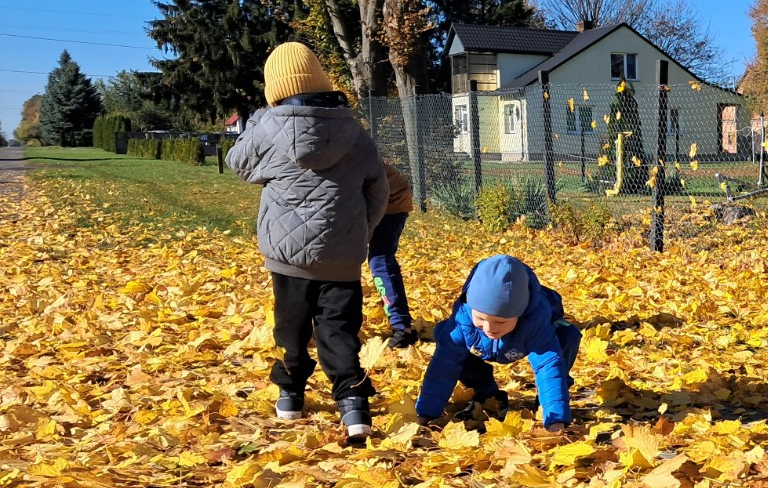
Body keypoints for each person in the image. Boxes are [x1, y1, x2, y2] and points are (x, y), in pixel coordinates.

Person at [227, 42, 388, 446]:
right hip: (342, 255)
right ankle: (353, 406)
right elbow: (379, 188)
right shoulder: (353, 129)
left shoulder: (266, 128)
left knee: (291, 328)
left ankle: (290, 396)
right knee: (340, 330)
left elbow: (238, 163)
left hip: (286, 256)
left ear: (274, 88)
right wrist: (360, 230)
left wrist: (263, 118)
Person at [415, 254, 582, 433]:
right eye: (480, 318)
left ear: (520, 313)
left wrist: (555, 420)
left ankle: (546, 402)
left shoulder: (535, 322)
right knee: (445, 337)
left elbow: (548, 366)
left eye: (500, 322)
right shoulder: (463, 320)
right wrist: (426, 413)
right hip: (478, 349)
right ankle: (488, 394)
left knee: (568, 334)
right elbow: (443, 368)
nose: (489, 328)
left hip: (519, 342)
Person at [369, 161, 418, 348]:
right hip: (368, 201)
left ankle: (402, 327)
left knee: (380, 260)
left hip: (390, 203)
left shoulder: (341, 144)